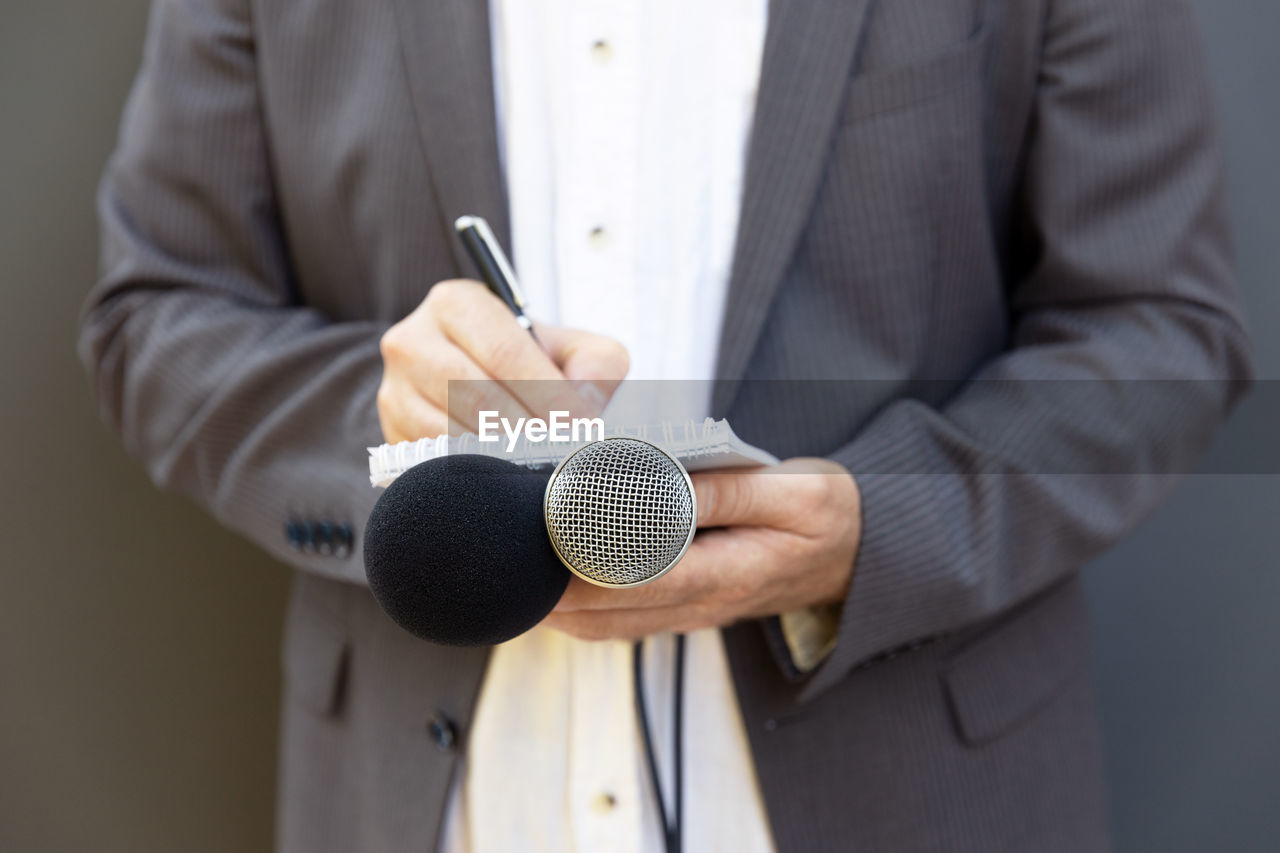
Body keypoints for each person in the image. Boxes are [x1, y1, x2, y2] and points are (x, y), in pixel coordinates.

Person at [79, 0, 1252, 850]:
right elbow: (159, 318)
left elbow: (1159, 331)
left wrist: (877, 530)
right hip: (429, 795)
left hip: (912, 790)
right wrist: (402, 429)